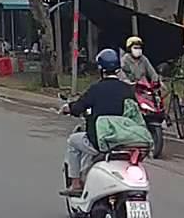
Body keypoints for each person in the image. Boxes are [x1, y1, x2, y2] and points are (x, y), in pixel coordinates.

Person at [58, 48, 137, 196]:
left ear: (101, 69)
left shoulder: (96, 89)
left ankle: (75, 184)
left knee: (73, 141)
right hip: (124, 141)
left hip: (100, 142)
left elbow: (78, 107)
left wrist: (67, 108)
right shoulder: (128, 90)